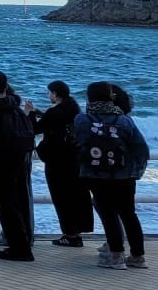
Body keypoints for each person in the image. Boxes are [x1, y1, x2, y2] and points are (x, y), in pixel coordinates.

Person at [76, 81, 150, 270]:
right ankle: (138, 256)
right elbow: (141, 149)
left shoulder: (82, 120)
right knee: (129, 214)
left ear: (89, 98)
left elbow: (78, 144)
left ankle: (116, 257)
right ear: (111, 97)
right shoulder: (124, 121)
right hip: (124, 175)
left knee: (108, 214)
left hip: (95, 174)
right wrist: (136, 171)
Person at [0, 70, 36, 261]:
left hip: (2, 165)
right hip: (20, 162)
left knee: (6, 207)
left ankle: (19, 248)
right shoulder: (15, 106)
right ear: (6, 86)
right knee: (19, 203)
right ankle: (23, 244)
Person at [34, 81, 93, 248]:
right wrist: (42, 114)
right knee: (76, 196)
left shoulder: (54, 112)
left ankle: (69, 234)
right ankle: (77, 233)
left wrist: (30, 114)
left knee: (61, 197)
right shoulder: (74, 110)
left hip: (57, 160)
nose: (49, 96)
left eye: (49, 93)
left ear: (54, 93)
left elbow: (35, 128)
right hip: (75, 159)